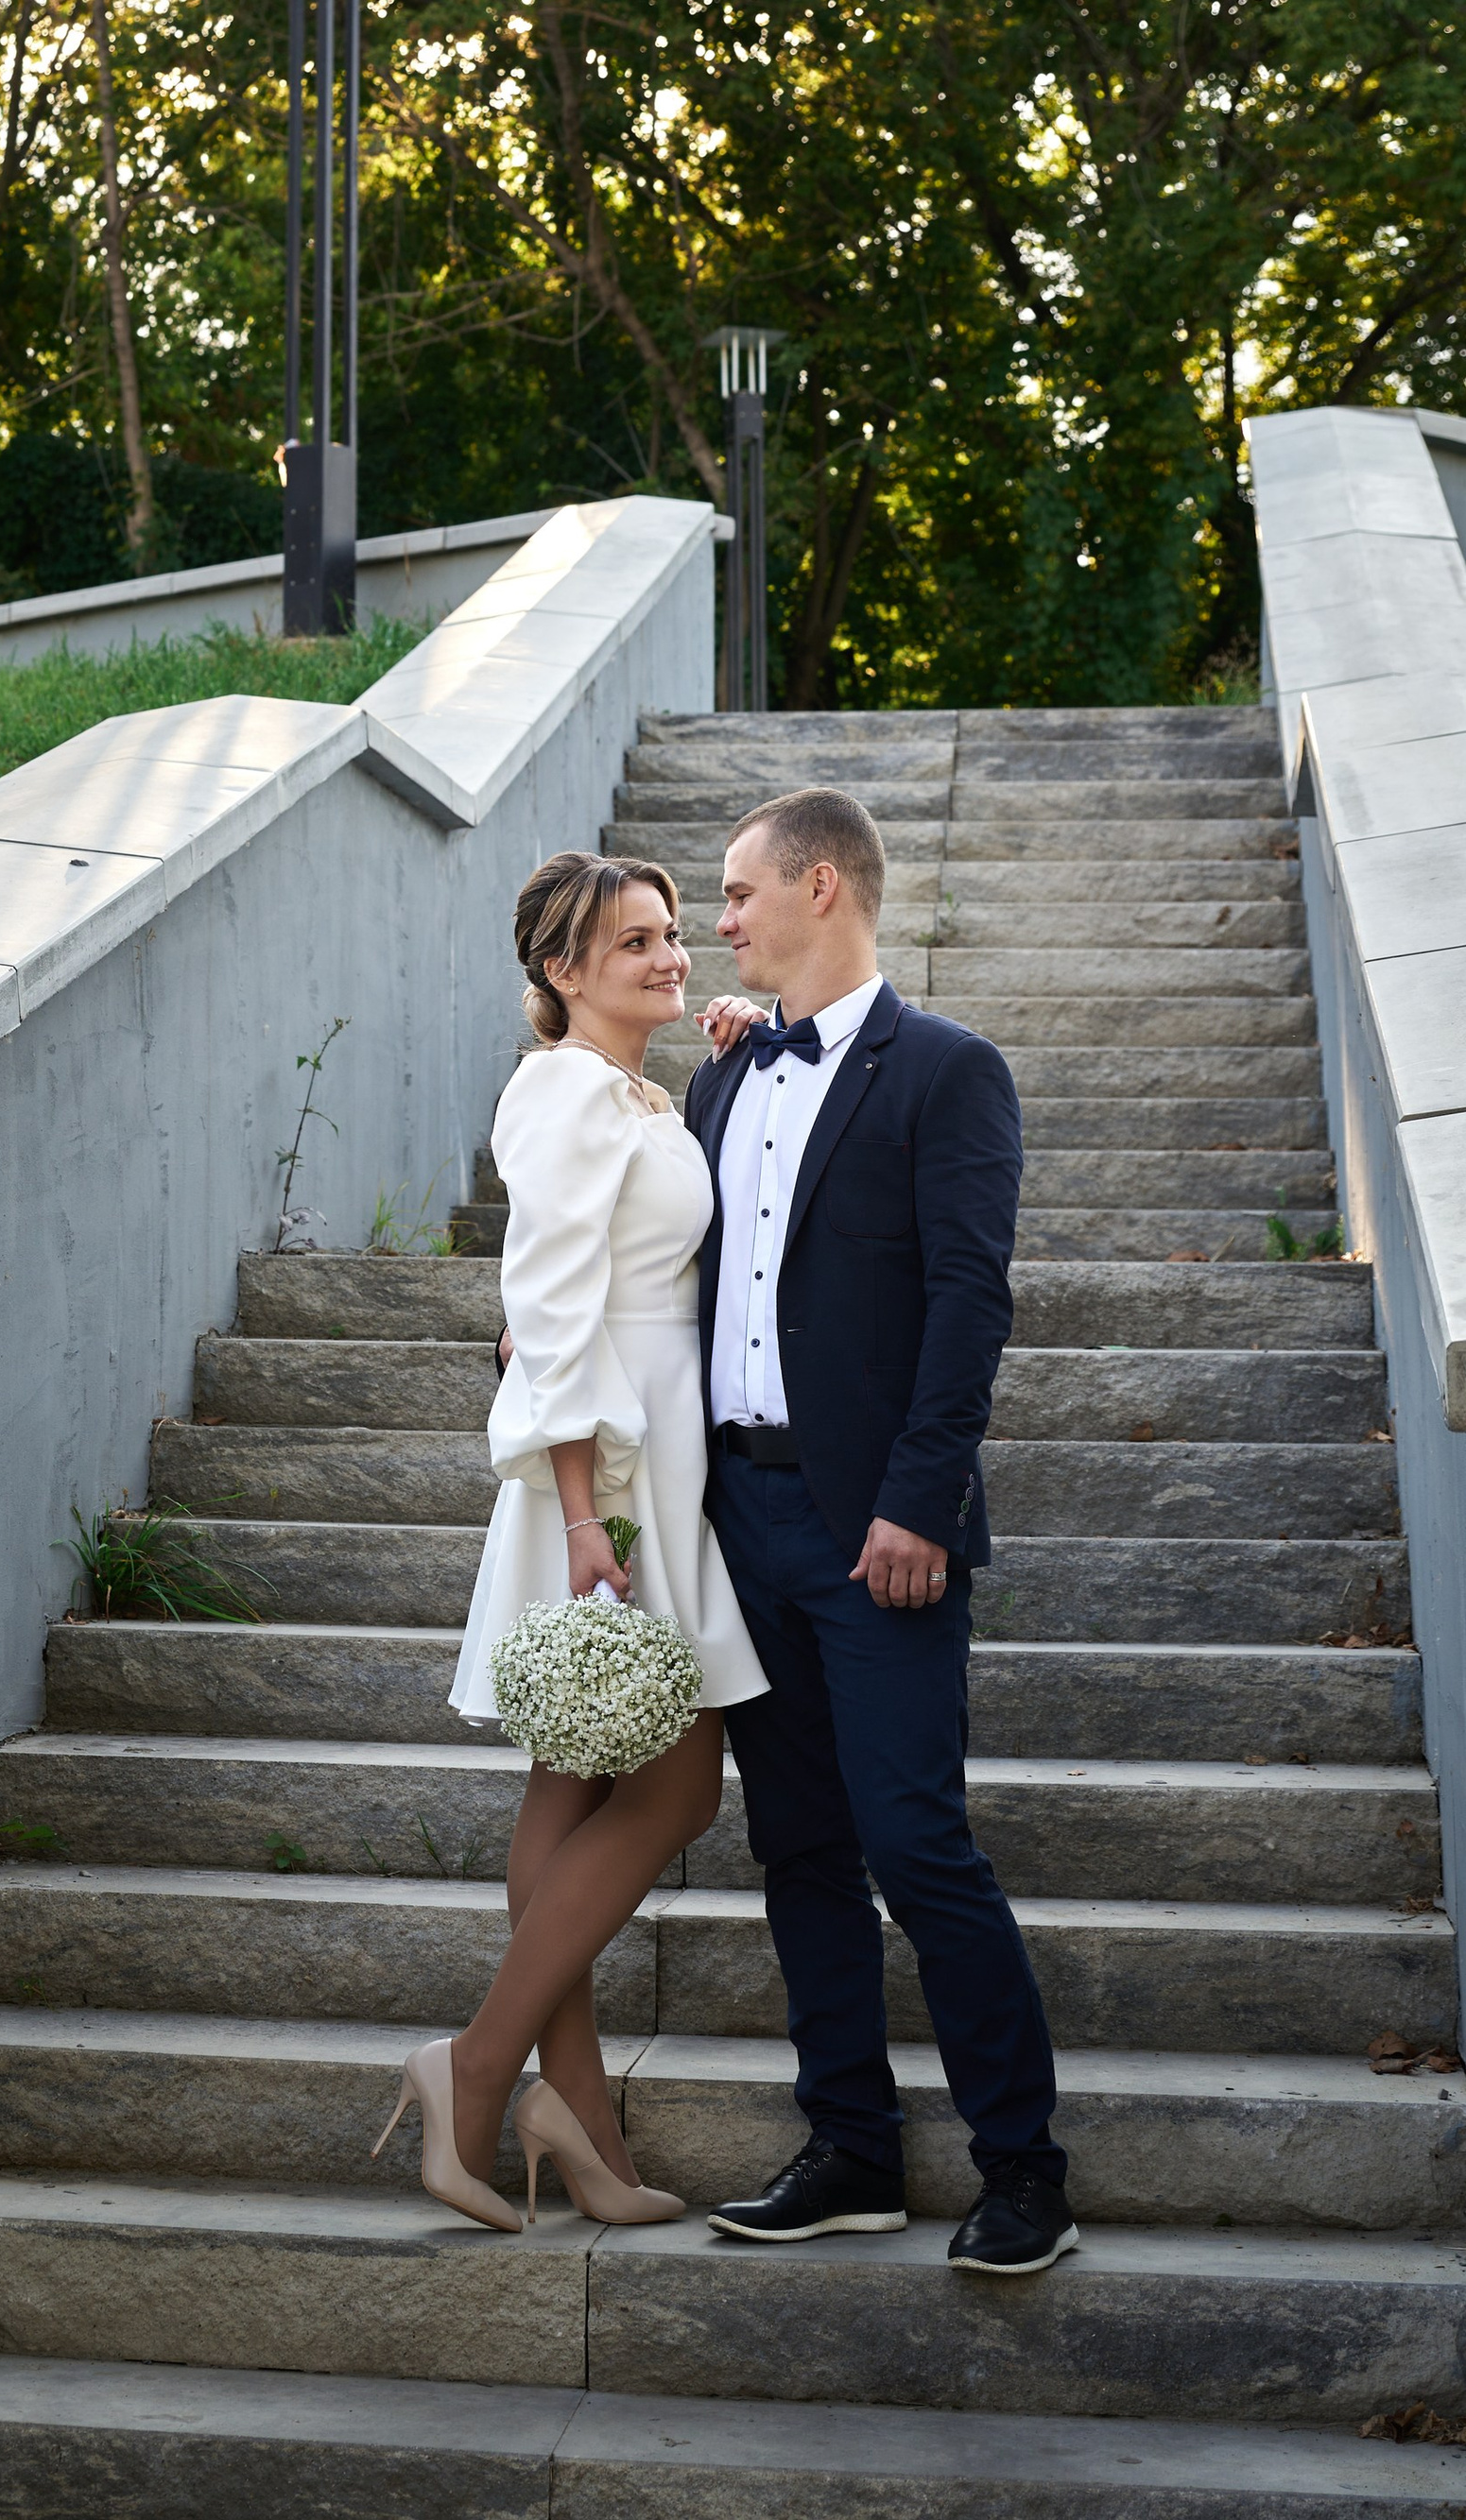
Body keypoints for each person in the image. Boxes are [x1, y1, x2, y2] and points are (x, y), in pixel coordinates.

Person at [688, 783, 1077, 2277]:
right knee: (796, 1845)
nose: (722, 922)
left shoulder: (948, 1073)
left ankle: (1022, 2167)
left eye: (738, 893)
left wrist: (920, 1497)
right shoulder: (727, 1077)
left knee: (916, 1843)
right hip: (740, 1518)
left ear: (824, 887)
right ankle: (850, 2144)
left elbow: (973, 1301)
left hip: (875, 1533)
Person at [371, 851, 768, 2232]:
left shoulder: (628, 1090)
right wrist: (588, 1512)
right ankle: (480, 2066)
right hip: (606, 1471)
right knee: (671, 1792)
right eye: (636, 944)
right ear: (561, 970)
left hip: (650, 1444)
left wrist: (735, 1048)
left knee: (571, 1793)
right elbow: (544, 1310)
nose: (671, 955)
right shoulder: (560, 1096)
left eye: (672, 934)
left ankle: (575, 2114)